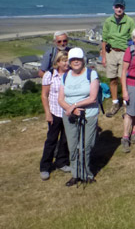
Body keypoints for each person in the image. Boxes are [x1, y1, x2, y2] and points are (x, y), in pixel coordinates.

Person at [58, 47, 100, 186]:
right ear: (69, 62)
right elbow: (60, 99)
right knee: (73, 146)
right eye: (73, 59)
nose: (76, 62)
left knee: (86, 146)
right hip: (71, 116)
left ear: (83, 60)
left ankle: (87, 174)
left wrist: (73, 105)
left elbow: (93, 98)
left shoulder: (91, 74)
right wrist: (72, 110)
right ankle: (76, 175)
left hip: (89, 115)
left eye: (78, 59)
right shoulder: (65, 76)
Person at [102, 0, 135, 117]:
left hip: (124, 52)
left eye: (121, 7)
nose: (119, 9)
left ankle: (126, 104)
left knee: (124, 78)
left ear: (124, 8)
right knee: (112, 78)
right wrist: (104, 57)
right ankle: (115, 102)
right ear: (113, 7)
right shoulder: (108, 21)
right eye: (117, 7)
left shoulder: (130, 21)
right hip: (111, 52)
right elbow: (104, 39)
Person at [39, 51, 71, 180]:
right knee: (51, 140)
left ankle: (61, 162)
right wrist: (48, 113)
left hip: (67, 112)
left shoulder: (71, 75)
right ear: (57, 62)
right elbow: (44, 95)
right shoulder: (49, 75)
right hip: (55, 113)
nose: (66, 63)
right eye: (63, 60)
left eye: (68, 60)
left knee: (65, 139)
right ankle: (45, 166)